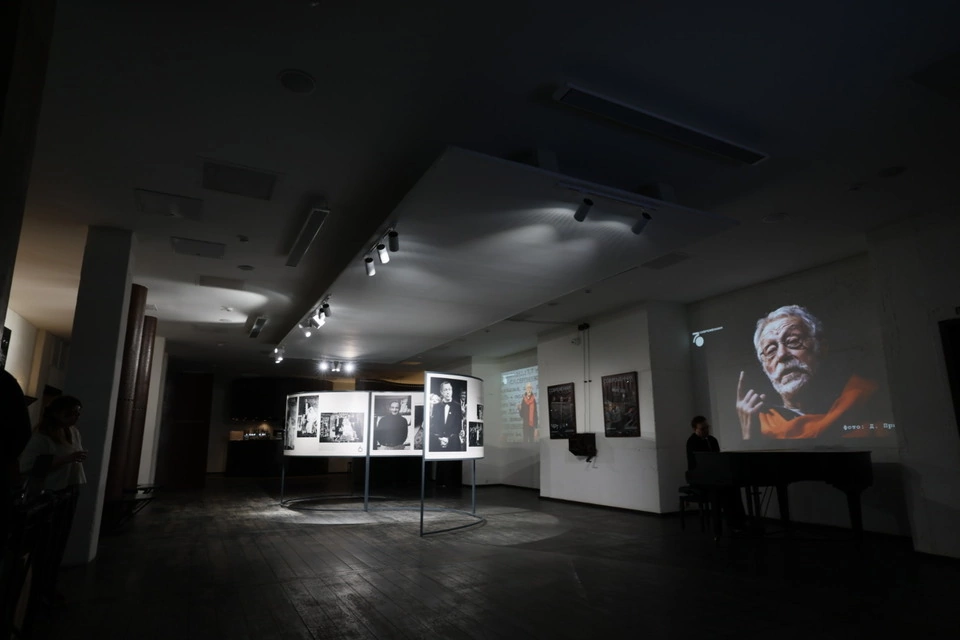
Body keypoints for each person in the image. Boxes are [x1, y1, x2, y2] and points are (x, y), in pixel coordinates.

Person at [737, 305, 879, 440]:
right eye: (770, 350)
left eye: (793, 341)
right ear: (764, 368)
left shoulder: (866, 403)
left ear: (822, 348)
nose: (781, 355)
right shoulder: (756, 424)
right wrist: (750, 440)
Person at [19, 395, 87, 606]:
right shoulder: (42, 437)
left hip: (69, 489)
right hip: (51, 494)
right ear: (58, 413)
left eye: (77, 413)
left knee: (59, 542)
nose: (75, 417)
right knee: (46, 544)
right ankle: (38, 590)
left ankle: (48, 586)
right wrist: (65, 459)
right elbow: (27, 466)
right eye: (71, 413)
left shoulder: (72, 432)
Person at [686, 415, 745, 530]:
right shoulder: (692, 442)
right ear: (695, 429)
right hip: (700, 477)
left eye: (707, 427)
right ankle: (728, 524)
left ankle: (739, 522)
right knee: (722, 490)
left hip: (713, 476)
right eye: (702, 429)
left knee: (733, 487)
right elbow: (697, 464)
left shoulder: (712, 440)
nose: (706, 430)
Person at [429, 381, 464, 452]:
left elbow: (458, 427)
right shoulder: (436, 406)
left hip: (453, 443)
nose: (448, 392)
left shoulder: (458, 406)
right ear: (441, 392)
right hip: (438, 443)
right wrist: (439, 439)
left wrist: (448, 439)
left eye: (450, 389)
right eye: (445, 390)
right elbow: (433, 425)